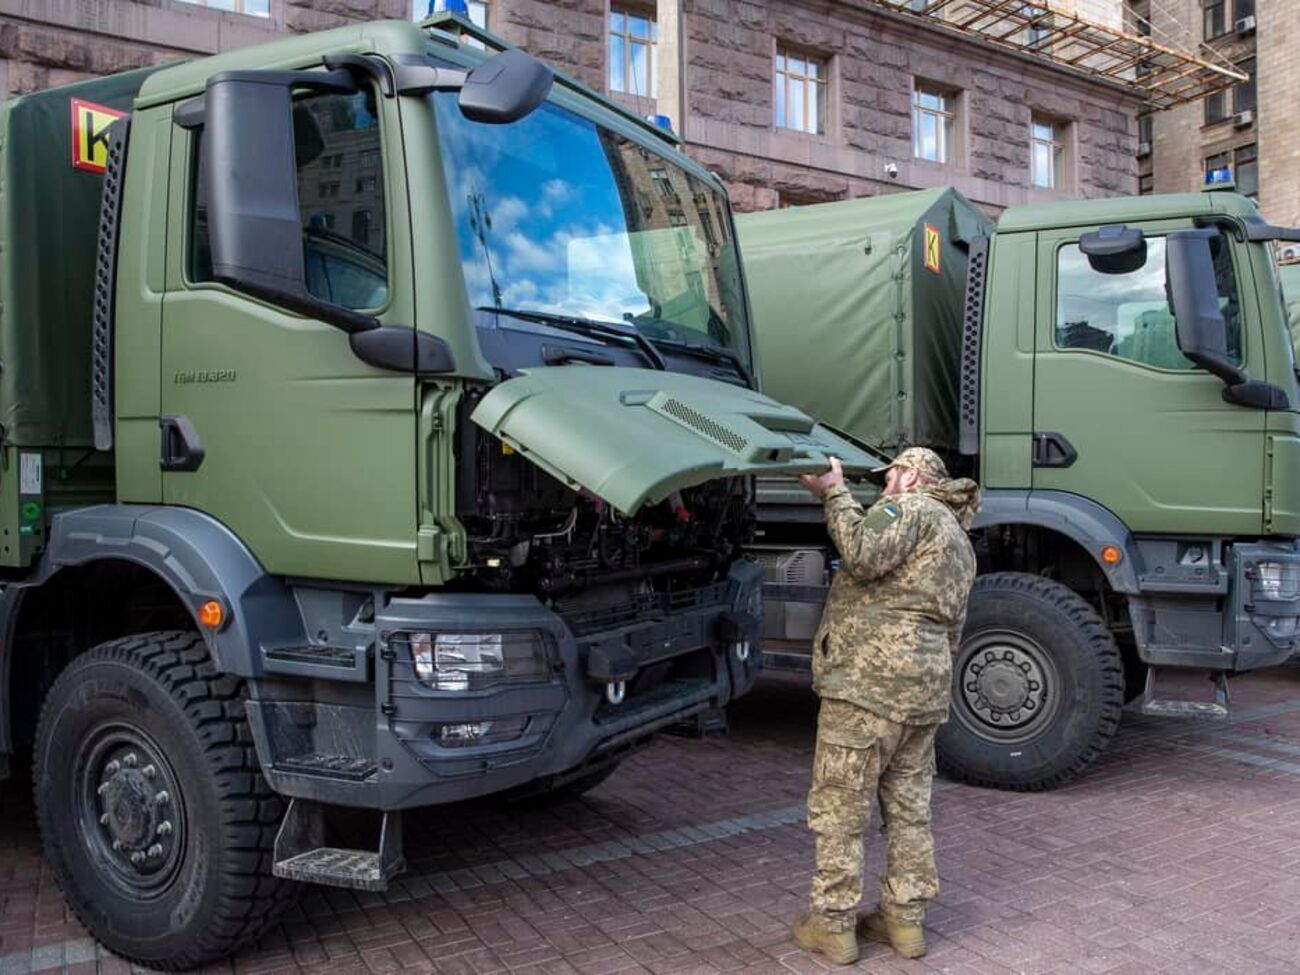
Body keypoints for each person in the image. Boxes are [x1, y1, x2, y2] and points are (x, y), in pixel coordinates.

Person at [790, 447, 980, 965]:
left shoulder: (911, 508)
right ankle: (904, 921)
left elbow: (862, 552)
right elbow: (955, 629)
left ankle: (831, 925)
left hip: (866, 687)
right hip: (922, 695)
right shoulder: (960, 541)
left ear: (913, 474)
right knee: (909, 812)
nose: (885, 486)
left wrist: (833, 492)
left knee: (841, 809)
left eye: (890, 474)